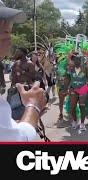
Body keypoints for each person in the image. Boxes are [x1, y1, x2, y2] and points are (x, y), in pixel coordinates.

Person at [0, 0, 47, 141]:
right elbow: (16, 139)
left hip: (24, 90)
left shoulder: (30, 64)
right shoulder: (15, 64)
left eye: (7, 22)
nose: (8, 28)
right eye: (1, 22)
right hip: (17, 91)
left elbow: (34, 78)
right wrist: (34, 106)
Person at [61, 53, 88, 132]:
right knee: (72, 107)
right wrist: (65, 89)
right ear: (73, 61)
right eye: (76, 60)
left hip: (83, 89)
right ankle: (75, 121)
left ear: (81, 60)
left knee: (82, 106)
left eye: (79, 59)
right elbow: (67, 79)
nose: (77, 61)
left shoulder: (85, 69)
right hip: (73, 89)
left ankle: (82, 124)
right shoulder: (70, 69)